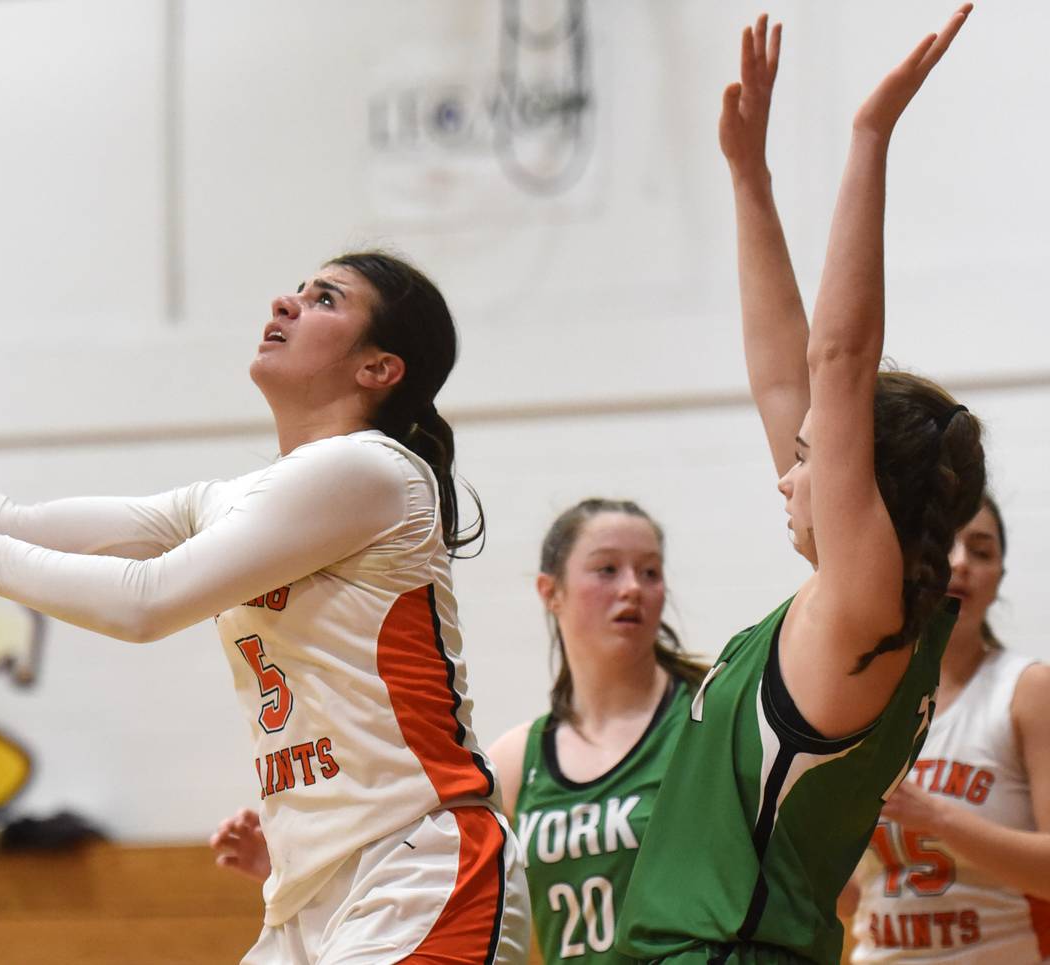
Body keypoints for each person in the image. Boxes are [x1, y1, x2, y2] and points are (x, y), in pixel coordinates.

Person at [0, 252, 530, 962]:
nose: (286, 303)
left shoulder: (371, 471)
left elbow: (145, 601)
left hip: (420, 875)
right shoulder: (238, 498)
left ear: (378, 368)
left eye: (325, 299)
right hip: (311, 899)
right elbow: (12, 522)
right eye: (298, 289)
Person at [616, 9, 987, 963]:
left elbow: (836, 356)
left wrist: (867, 137)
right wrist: (750, 178)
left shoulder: (863, 610)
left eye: (810, 455)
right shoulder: (853, 599)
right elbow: (792, 373)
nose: (785, 470)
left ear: (867, 478)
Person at [212, 498, 705, 964]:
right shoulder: (518, 759)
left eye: (650, 571)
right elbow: (438, 871)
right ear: (550, 592)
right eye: (607, 569)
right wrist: (295, 870)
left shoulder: (705, 716)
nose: (632, 588)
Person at [844, 497, 1050, 960]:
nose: (960, 562)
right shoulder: (864, 695)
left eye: (981, 551)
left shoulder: (1027, 689)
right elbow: (852, 897)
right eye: (945, 545)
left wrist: (938, 819)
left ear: (1000, 578)